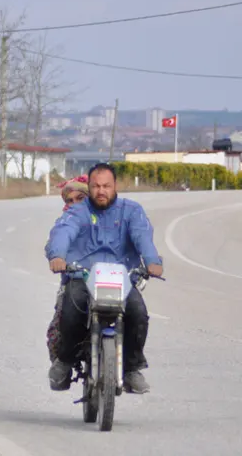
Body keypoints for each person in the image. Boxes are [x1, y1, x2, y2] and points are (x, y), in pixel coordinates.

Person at [45, 162, 163, 394]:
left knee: (138, 313)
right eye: (96, 186)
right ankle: (65, 361)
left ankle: (131, 368)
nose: (101, 191)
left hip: (121, 279)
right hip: (83, 277)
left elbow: (143, 237)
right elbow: (63, 233)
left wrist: (153, 262)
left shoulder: (132, 211)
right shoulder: (77, 211)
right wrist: (57, 256)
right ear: (89, 187)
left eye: (106, 186)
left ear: (115, 186)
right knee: (70, 310)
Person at [45, 175, 88, 362]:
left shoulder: (107, 219)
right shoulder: (65, 221)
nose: (75, 204)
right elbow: (57, 240)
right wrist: (57, 256)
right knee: (60, 328)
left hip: (108, 283)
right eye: (69, 200)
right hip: (75, 280)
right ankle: (62, 364)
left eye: (81, 198)